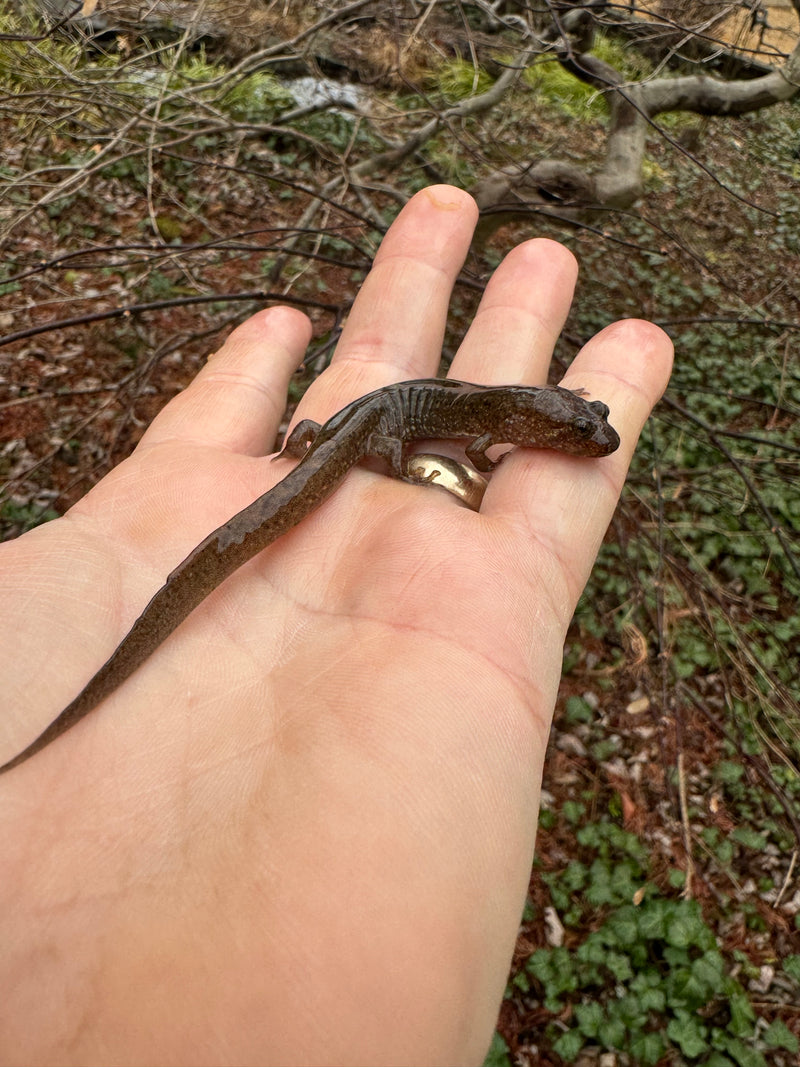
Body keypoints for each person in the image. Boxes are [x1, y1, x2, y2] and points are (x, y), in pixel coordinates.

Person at [0, 186, 672, 1065]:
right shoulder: (494, 419)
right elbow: (449, 437)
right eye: (579, 431)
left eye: (587, 431)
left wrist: (379, 444)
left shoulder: (504, 414)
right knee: (297, 491)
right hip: (364, 436)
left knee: (318, 462)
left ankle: (323, 447)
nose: (590, 441)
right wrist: (410, 465)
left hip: (343, 430)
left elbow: (474, 429)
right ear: (531, 421)